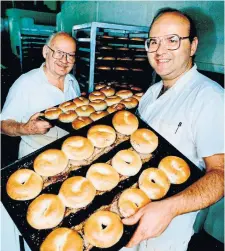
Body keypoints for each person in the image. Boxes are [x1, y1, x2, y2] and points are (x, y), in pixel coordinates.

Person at [121, 8, 224, 251]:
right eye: (153, 41)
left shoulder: (210, 98)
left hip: (167, 230)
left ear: (193, 45)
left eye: (172, 40)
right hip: (131, 206)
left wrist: (169, 207)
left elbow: (221, 174)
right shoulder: (151, 93)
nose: (160, 50)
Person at [1, 31, 81, 159]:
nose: (64, 60)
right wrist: (26, 128)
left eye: (70, 55)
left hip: (69, 152)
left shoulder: (72, 81)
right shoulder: (25, 83)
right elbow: (3, 124)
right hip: (36, 155)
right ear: (46, 52)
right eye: (59, 53)